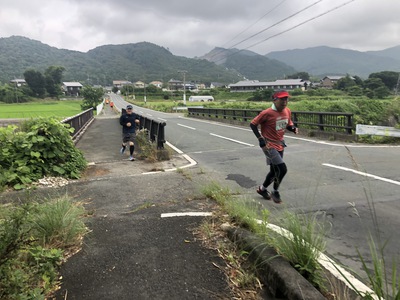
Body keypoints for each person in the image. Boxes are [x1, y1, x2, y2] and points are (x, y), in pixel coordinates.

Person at [250, 90, 298, 203]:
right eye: (282, 99)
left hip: (280, 143)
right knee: (282, 169)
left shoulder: (287, 111)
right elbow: (253, 124)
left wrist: (293, 128)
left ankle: (262, 189)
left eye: (286, 99)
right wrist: (260, 139)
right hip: (269, 145)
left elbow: (288, 124)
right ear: (274, 100)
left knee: (274, 171)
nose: (285, 101)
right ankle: (275, 191)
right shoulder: (267, 113)